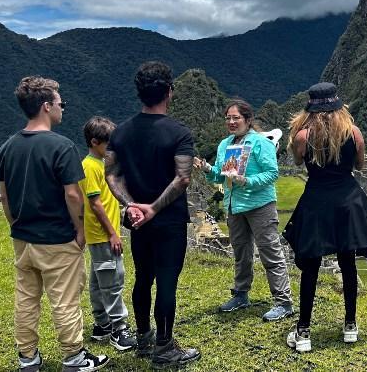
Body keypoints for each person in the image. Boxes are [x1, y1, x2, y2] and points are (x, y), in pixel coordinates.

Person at [0, 76, 109, 371]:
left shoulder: (7, 148)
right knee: (65, 301)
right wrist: (80, 231)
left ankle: (28, 358)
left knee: (26, 299)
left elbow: (4, 197)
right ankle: (74, 357)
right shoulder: (62, 147)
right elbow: (73, 195)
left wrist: (15, 224)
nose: (63, 108)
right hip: (58, 238)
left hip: (23, 238)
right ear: (47, 106)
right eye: (61, 103)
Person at [104, 61, 200, 368]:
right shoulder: (179, 133)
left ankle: (143, 338)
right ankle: (164, 347)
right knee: (167, 281)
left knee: (143, 277)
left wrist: (133, 206)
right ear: (169, 92)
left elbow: (112, 176)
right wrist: (154, 208)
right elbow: (182, 178)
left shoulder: (120, 132)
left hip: (137, 221)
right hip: (168, 220)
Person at [282, 82, 367, 353]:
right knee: (347, 262)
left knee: (311, 265)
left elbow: (296, 161)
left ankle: (303, 331)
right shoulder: (354, 133)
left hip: (317, 201)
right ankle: (350, 325)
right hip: (347, 201)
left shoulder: (303, 136)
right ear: (339, 107)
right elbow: (359, 165)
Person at [194, 98, 293, 321]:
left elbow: (272, 173)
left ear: (247, 120)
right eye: (228, 118)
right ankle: (241, 294)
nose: (231, 121)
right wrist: (208, 169)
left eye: (236, 117)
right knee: (241, 252)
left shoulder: (260, 143)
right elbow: (221, 174)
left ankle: (283, 301)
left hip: (260, 205)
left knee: (270, 252)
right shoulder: (225, 145)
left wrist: (246, 180)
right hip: (234, 205)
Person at [78, 116, 136, 351]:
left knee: (98, 280)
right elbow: (95, 204)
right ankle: (118, 328)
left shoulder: (99, 164)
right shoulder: (90, 166)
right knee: (113, 280)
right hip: (103, 234)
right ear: (94, 142)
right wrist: (113, 233)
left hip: (97, 235)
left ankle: (101, 324)